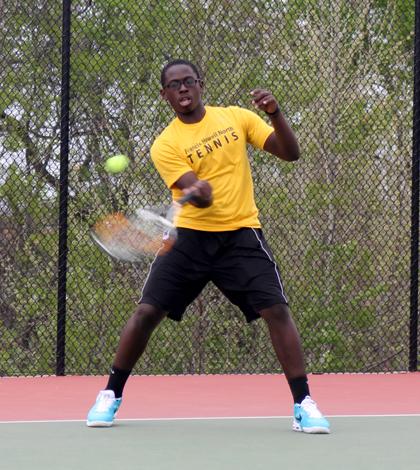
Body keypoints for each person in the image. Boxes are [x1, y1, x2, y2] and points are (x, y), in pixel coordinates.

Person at [86, 59, 330, 434]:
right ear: (165, 95)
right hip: (189, 241)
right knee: (147, 312)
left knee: (277, 310)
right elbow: (196, 195)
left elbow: (290, 152)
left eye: (188, 81)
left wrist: (275, 113)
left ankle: (304, 404)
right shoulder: (165, 145)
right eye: (174, 85)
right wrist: (196, 191)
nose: (182, 89)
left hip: (241, 235)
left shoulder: (236, 118)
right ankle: (110, 395)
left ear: (200, 84)